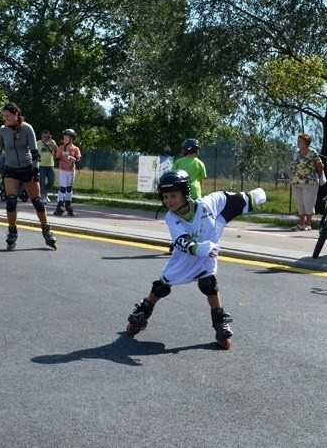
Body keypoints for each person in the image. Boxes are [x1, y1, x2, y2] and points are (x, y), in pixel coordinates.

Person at [125, 169, 266, 349]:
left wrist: (253, 197)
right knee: (162, 287)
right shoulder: (171, 217)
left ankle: (219, 322)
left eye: (173, 196)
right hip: (184, 258)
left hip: (206, 257)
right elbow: (181, 240)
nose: (169, 201)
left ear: (185, 193)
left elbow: (233, 201)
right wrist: (200, 248)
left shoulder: (208, 204)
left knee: (208, 285)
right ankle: (142, 312)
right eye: (165, 196)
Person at [0, 102, 57, 250]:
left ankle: (46, 230)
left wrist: (35, 170)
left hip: (27, 168)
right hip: (11, 169)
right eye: (4, 116)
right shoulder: (2, 130)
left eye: (8, 116)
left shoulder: (27, 128)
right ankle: (12, 231)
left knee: (37, 201)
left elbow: (35, 153)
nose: (6, 119)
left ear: (16, 114)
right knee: (10, 201)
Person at [290, 133, 325, 230]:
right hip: (296, 182)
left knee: (308, 203)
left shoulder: (312, 153)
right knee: (300, 203)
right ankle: (301, 223)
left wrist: (319, 175)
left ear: (306, 142)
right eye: (298, 141)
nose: (298, 143)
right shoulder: (297, 153)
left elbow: (320, 165)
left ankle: (308, 224)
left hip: (310, 182)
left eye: (300, 141)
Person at [52, 129, 81, 216]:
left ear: (71, 139)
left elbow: (78, 160)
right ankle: (60, 205)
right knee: (62, 188)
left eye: (66, 138)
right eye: (64, 138)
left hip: (71, 171)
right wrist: (61, 162)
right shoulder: (61, 148)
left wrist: (73, 159)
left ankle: (68, 204)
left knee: (69, 188)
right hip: (63, 170)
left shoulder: (75, 149)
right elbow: (57, 159)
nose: (64, 139)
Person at [36, 130, 58, 203]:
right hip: (41, 165)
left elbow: (56, 149)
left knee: (51, 181)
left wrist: (50, 141)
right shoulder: (38, 143)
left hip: (50, 165)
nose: (45, 138)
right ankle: (43, 196)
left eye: (47, 136)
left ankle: (45, 193)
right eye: (44, 136)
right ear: (41, 136)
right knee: (42, 182)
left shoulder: (52, 142)